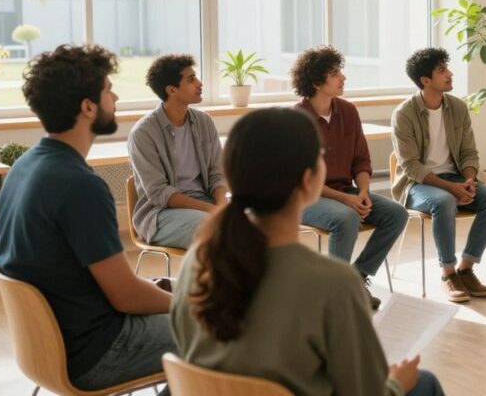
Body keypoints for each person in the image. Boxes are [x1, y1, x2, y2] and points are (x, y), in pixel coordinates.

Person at [170, 108, 444, 396]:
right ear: (308, 179)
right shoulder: (332, 282)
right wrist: (396, 384)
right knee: (423, 382)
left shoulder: (197, 261)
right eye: (321, 155)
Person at [0, 45, 174, 392]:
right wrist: (189, 306)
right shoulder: (80, 185)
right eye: (109, 90)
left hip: (52, 344)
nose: (116, 96)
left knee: (192, 296)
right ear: (88, 106)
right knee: (227, 329)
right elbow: (127, 298)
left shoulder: (24, 167)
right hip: (98, 350)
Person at [291, 46, 408, 310]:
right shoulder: (296, 119)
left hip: (347, 191)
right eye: (334, 73)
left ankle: (355, 278)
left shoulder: (349, 111)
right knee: (346, 217)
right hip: (306, 198)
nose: (343, 77)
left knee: (396, 214)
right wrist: (347, 199)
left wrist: (363, 191)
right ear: (316, 80)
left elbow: (361, 160)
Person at [391, 48, 486, 303]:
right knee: (443, 201)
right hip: (418, 184)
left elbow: (468, 152)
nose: (450, 74)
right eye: (442, 71)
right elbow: (411, 167)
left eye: (447, 68)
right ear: (425, 81)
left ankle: (466, 268)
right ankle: (448, 273)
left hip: (455, 178)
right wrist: (451, 189)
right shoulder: (404, 114)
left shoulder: (458, 108)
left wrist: (469, 179)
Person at [129, 54, 227, 249]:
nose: (200, 83)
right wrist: (210, 209)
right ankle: (211, 280)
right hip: (161, 213)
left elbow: (217, 174)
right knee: (215, 230)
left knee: (258, 221)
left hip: (206, 203)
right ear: (172, 90)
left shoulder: (204, 122)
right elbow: (160, 193)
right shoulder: (143, 133)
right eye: (191, 80)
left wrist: (222, 206)